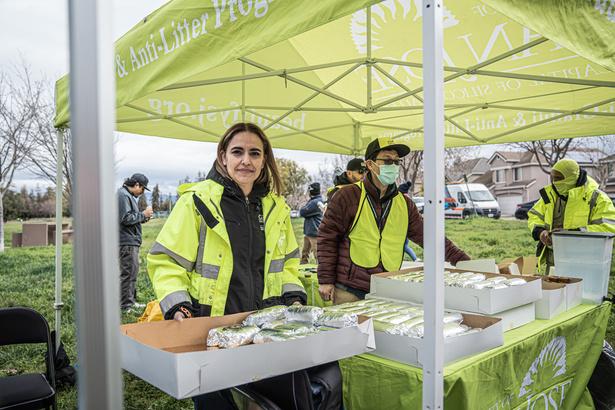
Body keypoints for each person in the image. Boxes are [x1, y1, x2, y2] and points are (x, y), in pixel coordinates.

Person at [147, 122, 307, 409]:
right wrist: (178, 304)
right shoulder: (197, 202)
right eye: (237, 152)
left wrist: (293, 296)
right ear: (223, 156)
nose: (246, 160)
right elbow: (166, 261)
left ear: (264, 160)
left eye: (254, 153)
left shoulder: (276, 208)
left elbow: (288, 263)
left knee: (263, 401)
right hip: (212, 328)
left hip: (265, 328)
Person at [317, 137, 470, 304]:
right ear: (370, 164)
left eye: (397, 161)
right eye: (387, 160)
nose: (393, 166)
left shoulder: (404, 204)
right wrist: (325, 279)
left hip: (386, 287)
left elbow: (430, 237)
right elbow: (327, 238)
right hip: (350, 288)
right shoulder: (347, 196)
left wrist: (465, 262)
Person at [528, 158, 615, 274]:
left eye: (558, 178)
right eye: (553, 178)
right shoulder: (549, 195)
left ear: (572, 178)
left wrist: (574, 233)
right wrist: (540, 232)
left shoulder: (597, 198)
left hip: (584, 263)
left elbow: (609, 227)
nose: (554, 182)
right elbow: (534, 214)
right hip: (554, 261)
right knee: (552, 285)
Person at [118, 173, 153, 310]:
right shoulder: (123, 195)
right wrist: (143, 214)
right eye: (143, 188)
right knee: (128, 273)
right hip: (126, 241)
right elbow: (125, 219)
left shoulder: (127, 195)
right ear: (136, 184)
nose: (143, 192)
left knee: (132, 272)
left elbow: (131, 218)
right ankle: (126, 305)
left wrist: (144, 217)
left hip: (130, 240)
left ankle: (130, 301)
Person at [300, 182, 325, 264]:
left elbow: (302, 212)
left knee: (317, 254)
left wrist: (303, 208)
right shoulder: (313, 201)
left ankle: (321, 269)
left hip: (314, 231)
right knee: (305, 253)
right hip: (309, 231)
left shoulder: (315, 202)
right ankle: (303, 266)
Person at [398, 181, 419, 262]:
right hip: (406, 226)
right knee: (403, 245)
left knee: (403, 246)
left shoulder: (404, 201)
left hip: (403, 227)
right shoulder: (407, 200)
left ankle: (415, 259)